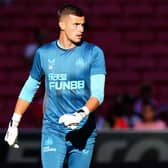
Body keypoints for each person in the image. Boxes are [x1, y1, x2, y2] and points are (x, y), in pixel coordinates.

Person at [4, 4, 106, 168]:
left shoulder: (94, 53)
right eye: (76, 25)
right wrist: (14, 123)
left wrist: (80, 114)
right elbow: (29, 88)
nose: (81, 29)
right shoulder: (43, 53)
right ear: (62, 24)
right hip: (53, 129)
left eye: (82, 25)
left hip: (83, 131)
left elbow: (98, 94)